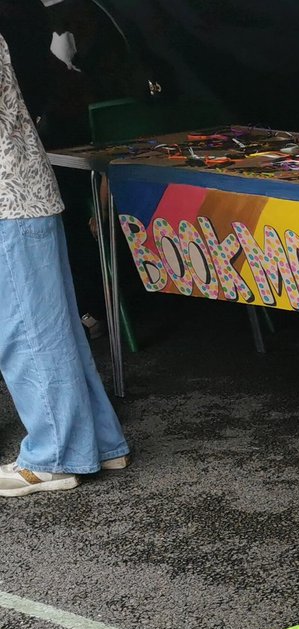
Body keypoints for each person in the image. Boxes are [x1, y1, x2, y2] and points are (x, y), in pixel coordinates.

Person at [0, 17, 128, 497]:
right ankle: (102, 441)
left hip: (9, 200)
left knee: (26, 332)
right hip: (22, 195)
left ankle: (54, 455)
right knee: (54, 329)